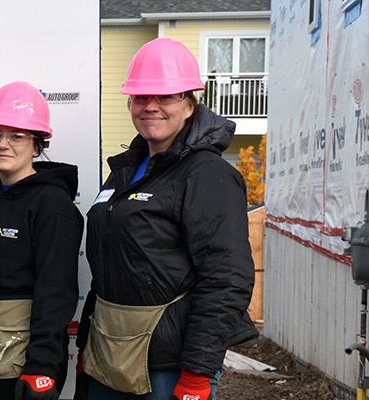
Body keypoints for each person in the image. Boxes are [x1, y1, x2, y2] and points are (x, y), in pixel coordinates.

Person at [77, 38, 256, 400]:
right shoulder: (128, 170)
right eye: (141, 97)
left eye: (166, 97)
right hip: (111, 355)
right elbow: (112, 263)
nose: (151, 107)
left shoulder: (207, 174)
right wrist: (87, 343)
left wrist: (196, 373)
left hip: (168, 365)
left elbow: (227, 277)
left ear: (189, 105)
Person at [0, 81, 82, 400]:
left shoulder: (53, 205)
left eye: (17, 135)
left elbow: (56, 291)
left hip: (24, 365)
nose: (3, 144)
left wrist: (42, 367)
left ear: (37, 146)